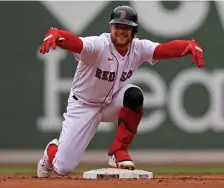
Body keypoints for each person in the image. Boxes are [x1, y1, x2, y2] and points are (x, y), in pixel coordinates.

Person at [37, 5, 205, 178]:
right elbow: (78, 43)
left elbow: (162, 50)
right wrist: (59, 35)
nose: (121, 31)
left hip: (111, 102)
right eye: (117, 26)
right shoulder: (99, 45)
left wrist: (188, 45)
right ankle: (51, 151)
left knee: (134, 94)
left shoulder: (138, 48)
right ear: (111, 27)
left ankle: (118, 151)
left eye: (126, 27)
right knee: (63, 168)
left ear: (134, 30)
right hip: (83, 106)